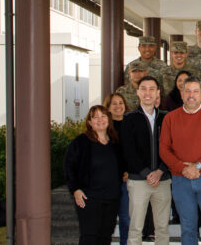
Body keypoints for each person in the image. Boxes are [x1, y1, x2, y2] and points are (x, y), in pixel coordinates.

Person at [159, 77, 201, 245]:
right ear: (181, 94)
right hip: (181, 180)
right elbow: (164, 149)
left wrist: (197, 166)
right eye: (187, 91)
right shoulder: (170, 118)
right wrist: (183, 168)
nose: (191, 95)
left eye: (196, 91)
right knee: (188, 228)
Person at [121, 76, 171, 245]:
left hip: (163, 180)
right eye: (143, 88)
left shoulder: (167, 118)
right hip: (138, 181)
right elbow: (128, 150)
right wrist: (147, 173)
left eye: (151, 89)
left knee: (162, 227)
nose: (147, 93)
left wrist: (160, 171)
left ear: (158, 93)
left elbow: (173, 147)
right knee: (135, 227)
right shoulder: (129, 118)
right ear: (138, 92)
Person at [65, 104, 124, 244]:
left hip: (112, 198)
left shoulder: (115, 142)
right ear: (90, 122)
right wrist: (75, 190)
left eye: (103, 116)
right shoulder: (81, 142)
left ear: (108, 119)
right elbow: (69, 167)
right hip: (89, 198)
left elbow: (122, 166)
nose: (100, 119)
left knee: (105, 237)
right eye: (95, 117)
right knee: (89, 237)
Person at [105, 93, 132, 243]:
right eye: (114, 103)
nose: (118, 106)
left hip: (126, 179)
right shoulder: (104, 127)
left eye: (120, 103)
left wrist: (129, 171)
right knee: (107, 221)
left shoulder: (131, 123)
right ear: (108, 107)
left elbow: (134, 152)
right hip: (108, 181)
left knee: (126, 219)